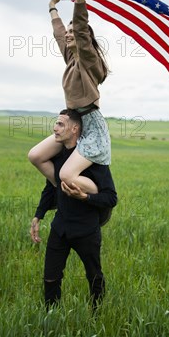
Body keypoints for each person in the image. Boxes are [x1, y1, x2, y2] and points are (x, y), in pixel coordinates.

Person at [28, 0, 111, 196]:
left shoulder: (88, 59)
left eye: (74, 33)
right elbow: (59, 34)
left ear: (85, 40)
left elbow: (82, 27)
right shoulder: (72, 58)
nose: (69, 34)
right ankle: (64, 194)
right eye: (69, 31)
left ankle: (96, 194)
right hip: (73, 122)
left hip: (91, 127)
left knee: (66, 174)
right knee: (35, 156)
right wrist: (52, 7)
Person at [30, 109, 117, 311]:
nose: (55, 128)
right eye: (56, 123)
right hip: (60, 228)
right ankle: (51, 316)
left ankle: (97, 314)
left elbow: (111, 197)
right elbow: (50, 187)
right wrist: (38, 215)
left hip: (86, 230)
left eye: (60, 124)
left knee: (94, 275)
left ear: (75, 128)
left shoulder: (92, 160)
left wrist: (85, 197)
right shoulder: (59, 156)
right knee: (50, 277)